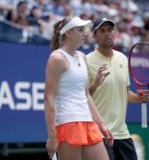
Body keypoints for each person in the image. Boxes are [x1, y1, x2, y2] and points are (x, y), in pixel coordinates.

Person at [44, 16, 113, 160]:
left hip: (87, 122)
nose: (85, 33)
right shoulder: (57, 58)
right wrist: (52, 136)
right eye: (81, 30)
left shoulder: (82, 56)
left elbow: (86, 94)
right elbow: (49, 99)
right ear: (68, 33)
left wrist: (101, 124)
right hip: (67, 123)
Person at [86, 17, 149, 160]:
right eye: (102, 31)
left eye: (110, 30)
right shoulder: (87, 61)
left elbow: (125, 94)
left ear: (115, 33)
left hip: (122, 133)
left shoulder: (122, 58)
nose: (107, 33)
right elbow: (84, 95)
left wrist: (139, 98)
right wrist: (95, 83)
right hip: (99, 134)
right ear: (95, 35)